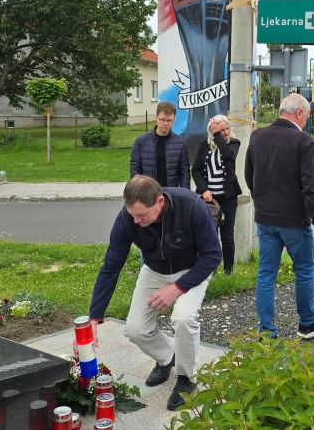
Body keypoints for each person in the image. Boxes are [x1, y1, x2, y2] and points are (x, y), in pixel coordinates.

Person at [89, 175, 221, 410]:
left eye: (142, 216)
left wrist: (177, 288)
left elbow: (212, 255)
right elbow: (111, 265)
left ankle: (186, 378)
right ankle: (168, 357)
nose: (136, 222)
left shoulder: (192, 206)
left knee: (183, 317)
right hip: (155, 269)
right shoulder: (128, 218)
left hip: (194, 267)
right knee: (135, 329)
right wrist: (95, 316)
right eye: (133, 215)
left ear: (160, 201)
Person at [244, 93, 314, 339]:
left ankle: (267, 330)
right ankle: (307, 322)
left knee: (266, 273)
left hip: (265, 219)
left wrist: (261, 201)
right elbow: (312, 186)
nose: (306, 122)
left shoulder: (258, 136)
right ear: (300, 113)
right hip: (294, 220)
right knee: (304, 269)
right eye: (307, 117)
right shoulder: (302, 141)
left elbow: (249, 175)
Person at [191, 114, 242, 275]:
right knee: (210, 235)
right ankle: (210, 271)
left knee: (227, 236)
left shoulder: (233, 143)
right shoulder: (204, 145)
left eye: (227, 128)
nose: (226, 132)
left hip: (228, 198)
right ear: (211, 131)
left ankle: (228, 271)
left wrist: (217, 134)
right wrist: (204, 189)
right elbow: (196, 169)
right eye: (222, 130)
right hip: (209, 199)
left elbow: (227, 155)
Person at [130, 101, 190, 188]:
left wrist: (185, 195)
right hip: (147, 193)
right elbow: (135, 169)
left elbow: (184, 173)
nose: (165, 123)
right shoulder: (140, 142)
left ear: (174, 119)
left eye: (169, 120)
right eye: (162, 119)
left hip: (171, 193)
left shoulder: (180, 143)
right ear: (156, 118)